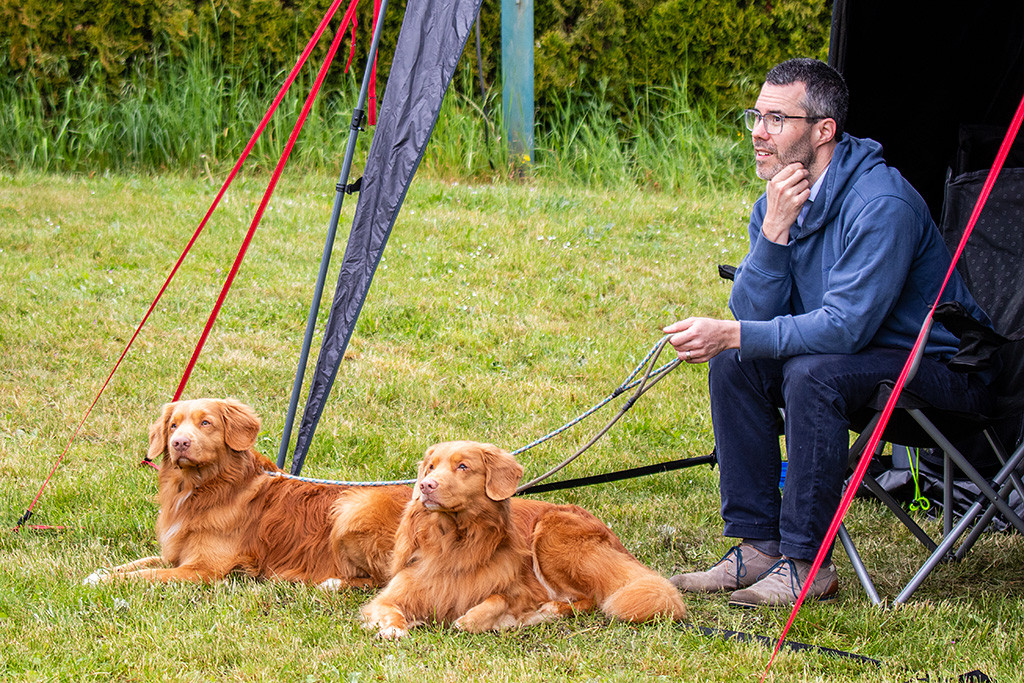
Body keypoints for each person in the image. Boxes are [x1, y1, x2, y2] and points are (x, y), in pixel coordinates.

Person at [663, 58, 993, 607]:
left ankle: (807, 563)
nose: (757, 133)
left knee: (809, 371)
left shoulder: (880, 203)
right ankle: (760, 544)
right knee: (736, 362)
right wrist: (771, 235)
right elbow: (752, 313)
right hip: (862, 370)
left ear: (823, 131)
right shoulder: (775, 203)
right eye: (755, 116)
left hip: (947, 377)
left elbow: (844, 327)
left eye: (775, 119)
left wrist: (735, 332)